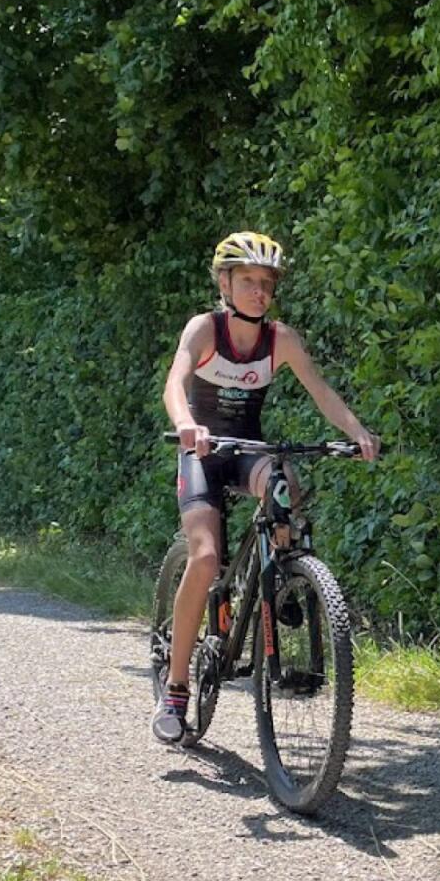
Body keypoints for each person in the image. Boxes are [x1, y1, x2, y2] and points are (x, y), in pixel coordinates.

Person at [154, 230, 379, 744]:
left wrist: (357, 432)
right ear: (225, 284)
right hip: (202, 452)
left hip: (247, 451)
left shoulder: (281, 340)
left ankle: (279, 580)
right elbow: (175, 381)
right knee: (205, 558)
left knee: (286, 484)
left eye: (267, 283)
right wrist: (187, 423)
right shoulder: (205, 329)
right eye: (249, 281)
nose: (260, 292)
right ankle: (176, 687)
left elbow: (321, 391)